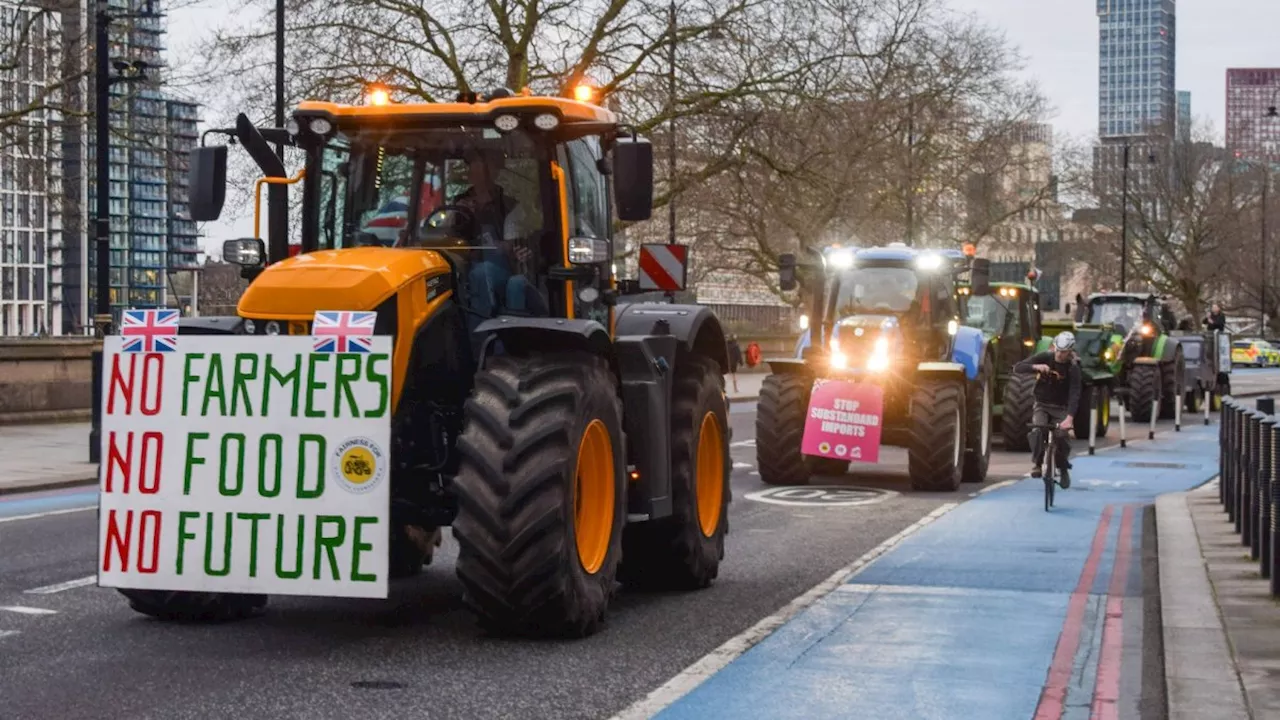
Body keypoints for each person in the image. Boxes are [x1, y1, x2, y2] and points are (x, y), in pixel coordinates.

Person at [1013, 331, 1082, 488]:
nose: (1059, 354)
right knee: (1038, 430)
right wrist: (1035, 366)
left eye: (1063, 352)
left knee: (1062, 436)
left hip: (1061, 407)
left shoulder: (1074, 368)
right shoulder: (1046, 356)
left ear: (1070, 351)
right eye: (1057, 350)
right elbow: (1018, 367)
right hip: (1042, 404)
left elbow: (1075, 394)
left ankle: (1063, 468)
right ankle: (1037, 463)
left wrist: (1069, 418)